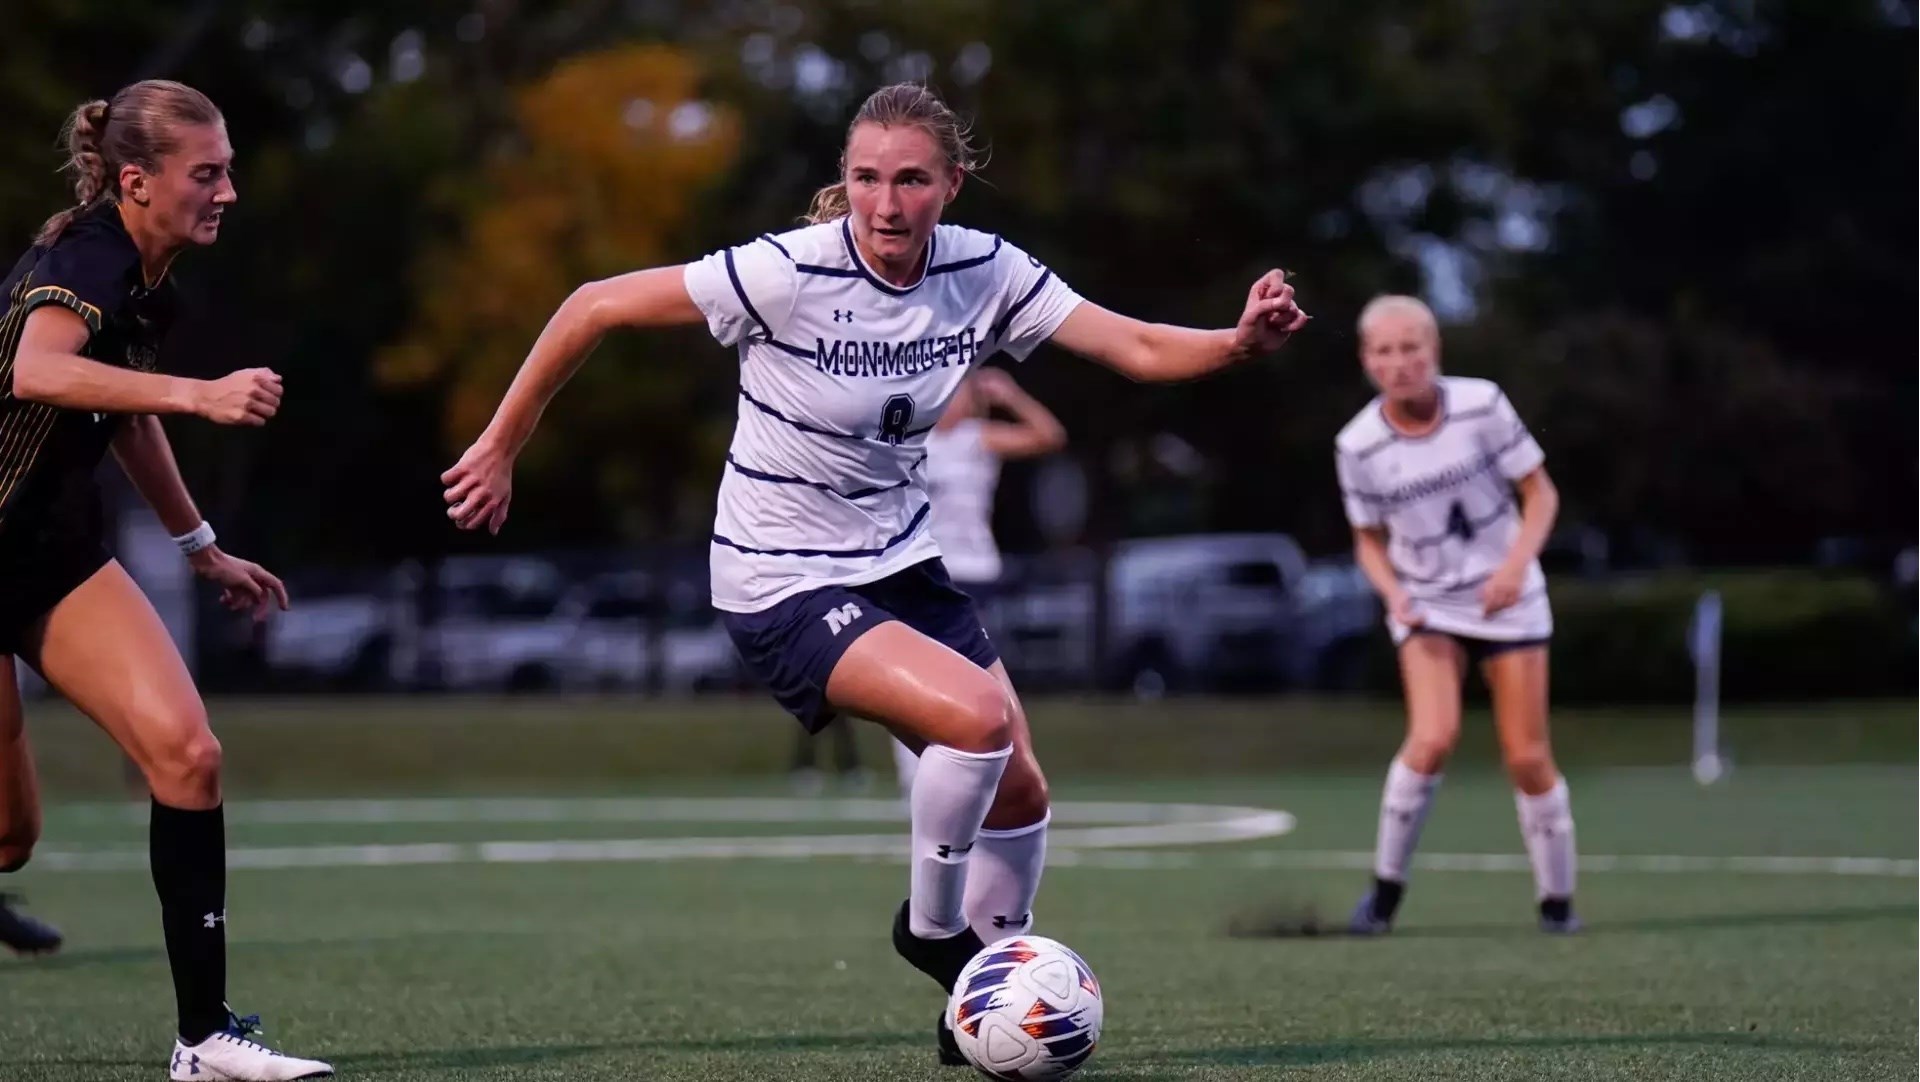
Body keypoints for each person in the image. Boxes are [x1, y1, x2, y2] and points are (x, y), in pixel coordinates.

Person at [441, 82, 1307, 1064]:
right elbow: (594, 303)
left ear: (952, 183)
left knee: (1021, 788)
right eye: (865, 178)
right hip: (778, 575)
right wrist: (501, 444)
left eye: (909, 180)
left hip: (901, 561)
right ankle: (935, 933)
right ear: (844, 181)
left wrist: (1237, 343)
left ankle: (979, 996)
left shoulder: (987, 271)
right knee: (977, 719)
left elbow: (1138, 345)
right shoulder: (787, 271)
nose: (885, 203)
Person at [1, 81, 331, 1079]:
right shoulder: (87, 255)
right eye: (209, 172)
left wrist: (200, 545)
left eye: (227, 168)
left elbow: (124, 416)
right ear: (136, 181)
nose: (228, 189)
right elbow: (39, 370)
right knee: (9, 835)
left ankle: (204, 1037)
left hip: (52, 560)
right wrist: (200, 392)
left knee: (187, 751)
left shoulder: (151, 281)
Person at [1333, 294, 1579, 936]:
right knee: (1432, 738)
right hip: (1427, 603)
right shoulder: (1357, 444)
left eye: (1411, 347)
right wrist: (1394, 594)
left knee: (1526, 756)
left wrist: (1514, 567)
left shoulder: (1483, 404)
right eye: (1384, 351)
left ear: (1433, 349)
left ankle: (1557, 906)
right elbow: (1367, 539)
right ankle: (1382, 898)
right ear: (1367, 361)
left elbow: (1541, 493)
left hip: (1508, 595)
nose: (1399, 362)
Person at [891, 365, 1064, 796]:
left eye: (961, 393)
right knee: (911, 674)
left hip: (975, 573)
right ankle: (914, 776)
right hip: (923, 568)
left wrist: (1012, 397)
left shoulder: (978, 439)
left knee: (978, 677)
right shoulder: (913, 441)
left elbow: (1049, 436)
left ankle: (984, 770)